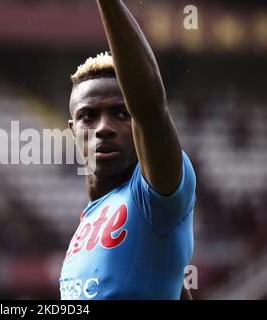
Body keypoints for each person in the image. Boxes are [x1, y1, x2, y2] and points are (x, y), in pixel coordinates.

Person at [59, 0, 196, 300]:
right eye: (88, 116)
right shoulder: (91, 218)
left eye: (122, 113)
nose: (103, 127)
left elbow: (150, 109)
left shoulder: (154, 196)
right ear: (73, 131)